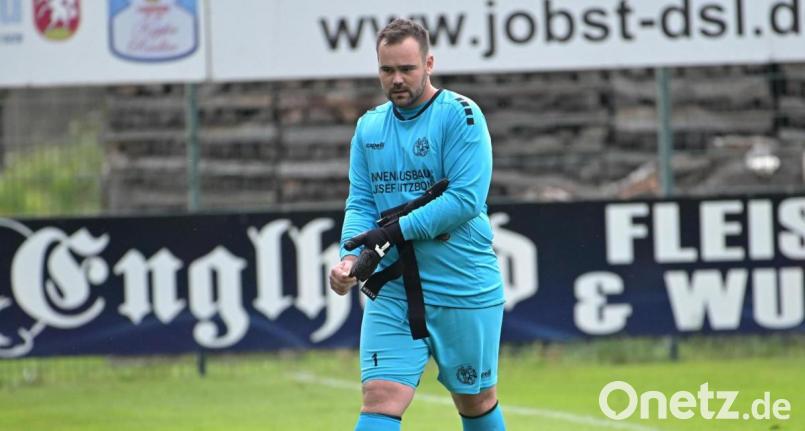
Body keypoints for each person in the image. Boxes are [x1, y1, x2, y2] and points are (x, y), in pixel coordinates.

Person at [328, 18, 506, 431]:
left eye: (406, 69)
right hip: (394, 289)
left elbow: (464, 200)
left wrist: (391, 232)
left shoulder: (461, 116)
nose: (396, 80)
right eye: (386, 70)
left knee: (476, 401)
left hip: (462, 285)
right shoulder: (369, 127)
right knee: (380, 398)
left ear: (428, 63)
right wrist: (351, 258)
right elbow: (362, 202)